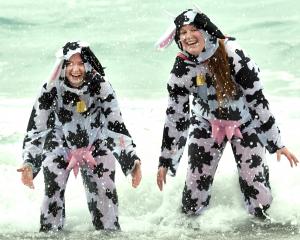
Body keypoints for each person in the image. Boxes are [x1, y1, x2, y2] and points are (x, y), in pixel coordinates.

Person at [155, 9, 298, 220]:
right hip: (206, 124)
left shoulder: (234, 54)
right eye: (182, 32)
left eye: (194, 29)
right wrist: (166, 160)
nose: (187, 36)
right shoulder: (182, 67)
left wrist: (277, 143)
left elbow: (258, 101)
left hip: (245, 124)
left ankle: (263, 226)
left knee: (259, 199)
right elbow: (176, 117)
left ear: (207, 31)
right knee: (193, 201)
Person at [17, 41, 142, 232]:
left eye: (81, 63)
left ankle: (108, 234)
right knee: (52, 193)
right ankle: (50, 234)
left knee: (105, 196)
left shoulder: (101, 86)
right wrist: (29, 163)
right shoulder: (50, 88)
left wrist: (131, 161)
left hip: (96, 142)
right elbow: (37, 129)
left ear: (89, 64)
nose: (75, 69)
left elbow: (115, 126)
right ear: (62, 66)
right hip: (60, 143)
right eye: (69, 64)